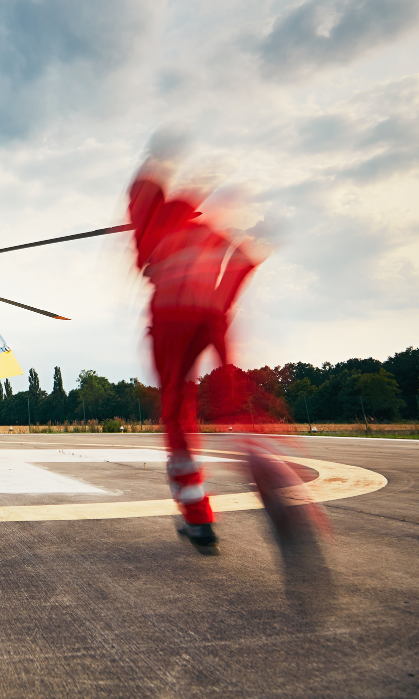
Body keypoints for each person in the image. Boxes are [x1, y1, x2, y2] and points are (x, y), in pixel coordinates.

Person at [128, 165, 257, 554]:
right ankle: (260, 444)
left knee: (177, 414)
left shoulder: (153, 223)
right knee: (231, 398)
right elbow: (237, 260)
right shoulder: (200, 227)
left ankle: (198, 518)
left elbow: (143, 251)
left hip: (172, 316)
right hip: (213, 310)